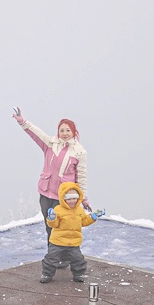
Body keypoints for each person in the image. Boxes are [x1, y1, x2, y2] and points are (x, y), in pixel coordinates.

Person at [12, 107, 90, 241]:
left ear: (73, 132)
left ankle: (62, 255)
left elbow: (81, 176)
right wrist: (22, 122)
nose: (65, 133)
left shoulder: (79, 152)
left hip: (63, 196)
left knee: (60, 227)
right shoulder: (50, 144)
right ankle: (53, 255)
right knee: (49, 225)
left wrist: (83, 198)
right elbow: (36, 133)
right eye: (62, 130)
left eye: (68, 130)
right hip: (45, 192)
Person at [41, 182, 104, 283]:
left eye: (74, 198)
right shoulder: (58, 209)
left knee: (78, 259)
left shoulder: (79, 210)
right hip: (58, 241)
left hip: (73, 242)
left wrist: (93, 217)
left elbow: (84, 221)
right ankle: (46, 274)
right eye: (69, 199)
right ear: (63, 199)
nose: (72, 201)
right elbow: (54, 225)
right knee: (51, 259)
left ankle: (78, 274)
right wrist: (52, 218)